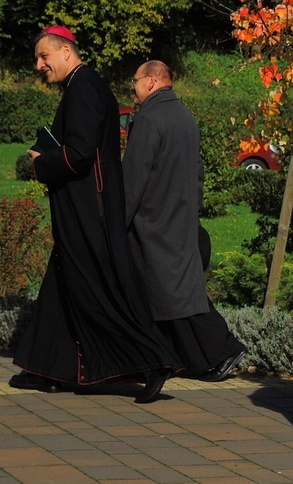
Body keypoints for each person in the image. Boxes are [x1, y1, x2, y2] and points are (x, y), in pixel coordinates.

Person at [9, 26, 182, 404]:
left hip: (90, 210)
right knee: (61, 284)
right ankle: (49, 367)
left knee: (97, 289)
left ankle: (154, 359)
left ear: (66, 52)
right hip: (84, 207)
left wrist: (42, 164)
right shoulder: (81, 85)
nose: (39, 65)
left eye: (44, 57)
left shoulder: (84, 87)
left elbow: (79, 153)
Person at [122, 61, 247, 382]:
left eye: (134, 82)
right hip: (180, 218)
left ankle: (223, 349)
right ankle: (173, 358)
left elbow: (132, 179)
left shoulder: (149, 119)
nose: (132, 88)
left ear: (151, 82)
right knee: (174, 294)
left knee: (174, 297)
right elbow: (198, 173)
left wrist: (115, 222)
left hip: (154, 222)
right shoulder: (184, 116)